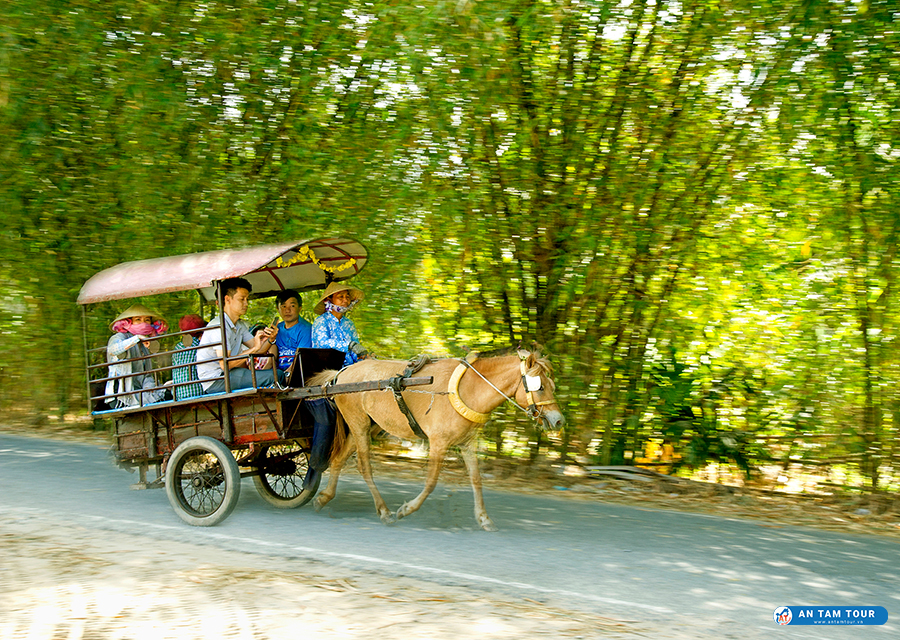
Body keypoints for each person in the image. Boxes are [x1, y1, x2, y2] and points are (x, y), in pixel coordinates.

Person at [303, 281, 369, 490]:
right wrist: (348, 345)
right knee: (326, 413)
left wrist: (364, 356)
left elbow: (355, 348)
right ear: (329, 301)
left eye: (347, 297)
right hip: (326, 372)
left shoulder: (349, 325)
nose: (345, 300)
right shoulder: (320, 322)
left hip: (350, 371)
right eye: (340, 297)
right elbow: (323, 344)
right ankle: (317, 465)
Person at [195, 278, 283, 394]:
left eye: (247, 299)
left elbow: (259, 349)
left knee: (277, 374)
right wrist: (254, 349)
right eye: (242, 299)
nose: (246, 303)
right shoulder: (219, 327)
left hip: (230, 374)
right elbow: (225, 364)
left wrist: (271, 339)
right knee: (276, 376)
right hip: (217, 380)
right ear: (227, 300)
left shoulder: (238, 325)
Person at [106, 304, 168, 409]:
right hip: (121, 396)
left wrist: (154, 389)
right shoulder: (119, 337)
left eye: (147, 320)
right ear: (129, 322)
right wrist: (137, 338)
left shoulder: (145, 344)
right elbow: (113, 350)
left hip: (140, 394)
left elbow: (146, 375)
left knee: (168, 395)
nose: (143, 323)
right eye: (138, 320)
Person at [273, 289, 313, 371]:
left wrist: (286, 376)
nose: (287, 310)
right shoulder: (277, 328)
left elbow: (301, 359)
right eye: (283, 306)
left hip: (298, 372)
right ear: (278, 308)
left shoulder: (306, 329)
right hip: (278, 373)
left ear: (300, 308)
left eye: (292, 306)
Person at [171, 314, 206, 401]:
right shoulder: (201, 346)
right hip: (200, 392)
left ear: (182, 332)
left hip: (179, 395)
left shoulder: (177, 348)